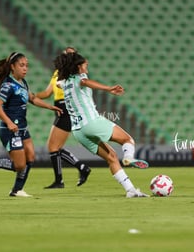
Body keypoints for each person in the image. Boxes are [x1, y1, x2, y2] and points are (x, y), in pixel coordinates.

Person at [55, 52, 149, 198]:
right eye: (85, 64)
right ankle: (129, 157)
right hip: (92, 122)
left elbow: (58, 82)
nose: (87, 67)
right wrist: (108, 88)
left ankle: (130, 190)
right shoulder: (80, 77)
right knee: (128, 140)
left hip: (79, 131)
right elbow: (85, 82)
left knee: (111, 157)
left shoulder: (64, 83)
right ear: (79, 67)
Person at [0, 52, 62, 197]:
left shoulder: (23, 83)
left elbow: (32, 98)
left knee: (31, 157)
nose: (25, 68)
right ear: (12, 67)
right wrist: (8, 122)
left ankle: (17, 190)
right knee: (19, 165)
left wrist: (50, 106)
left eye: (26, 65)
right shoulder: (8, 85)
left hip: (22, 128)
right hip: (10, 129)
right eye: (22, 65)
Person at [36, 47, 91, 189]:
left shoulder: (73, 74)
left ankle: (75, 171)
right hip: (60, 109)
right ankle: (73, 172)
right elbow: (48, 92)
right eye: (66, 53)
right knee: (54, 147)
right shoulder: (57, 73)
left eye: (71, 53)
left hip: (66, 109)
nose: (67, 55)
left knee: (53, 147)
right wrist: (32, 96)